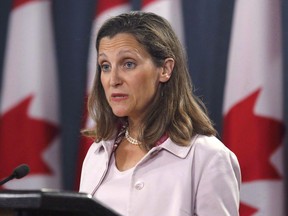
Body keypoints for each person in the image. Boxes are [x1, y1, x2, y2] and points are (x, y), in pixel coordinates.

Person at [79, 11, 241, 216]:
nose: (113, 80)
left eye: (128, 64)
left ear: (165, 69)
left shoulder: (208, 157)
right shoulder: (97, 153)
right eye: (105, 66)